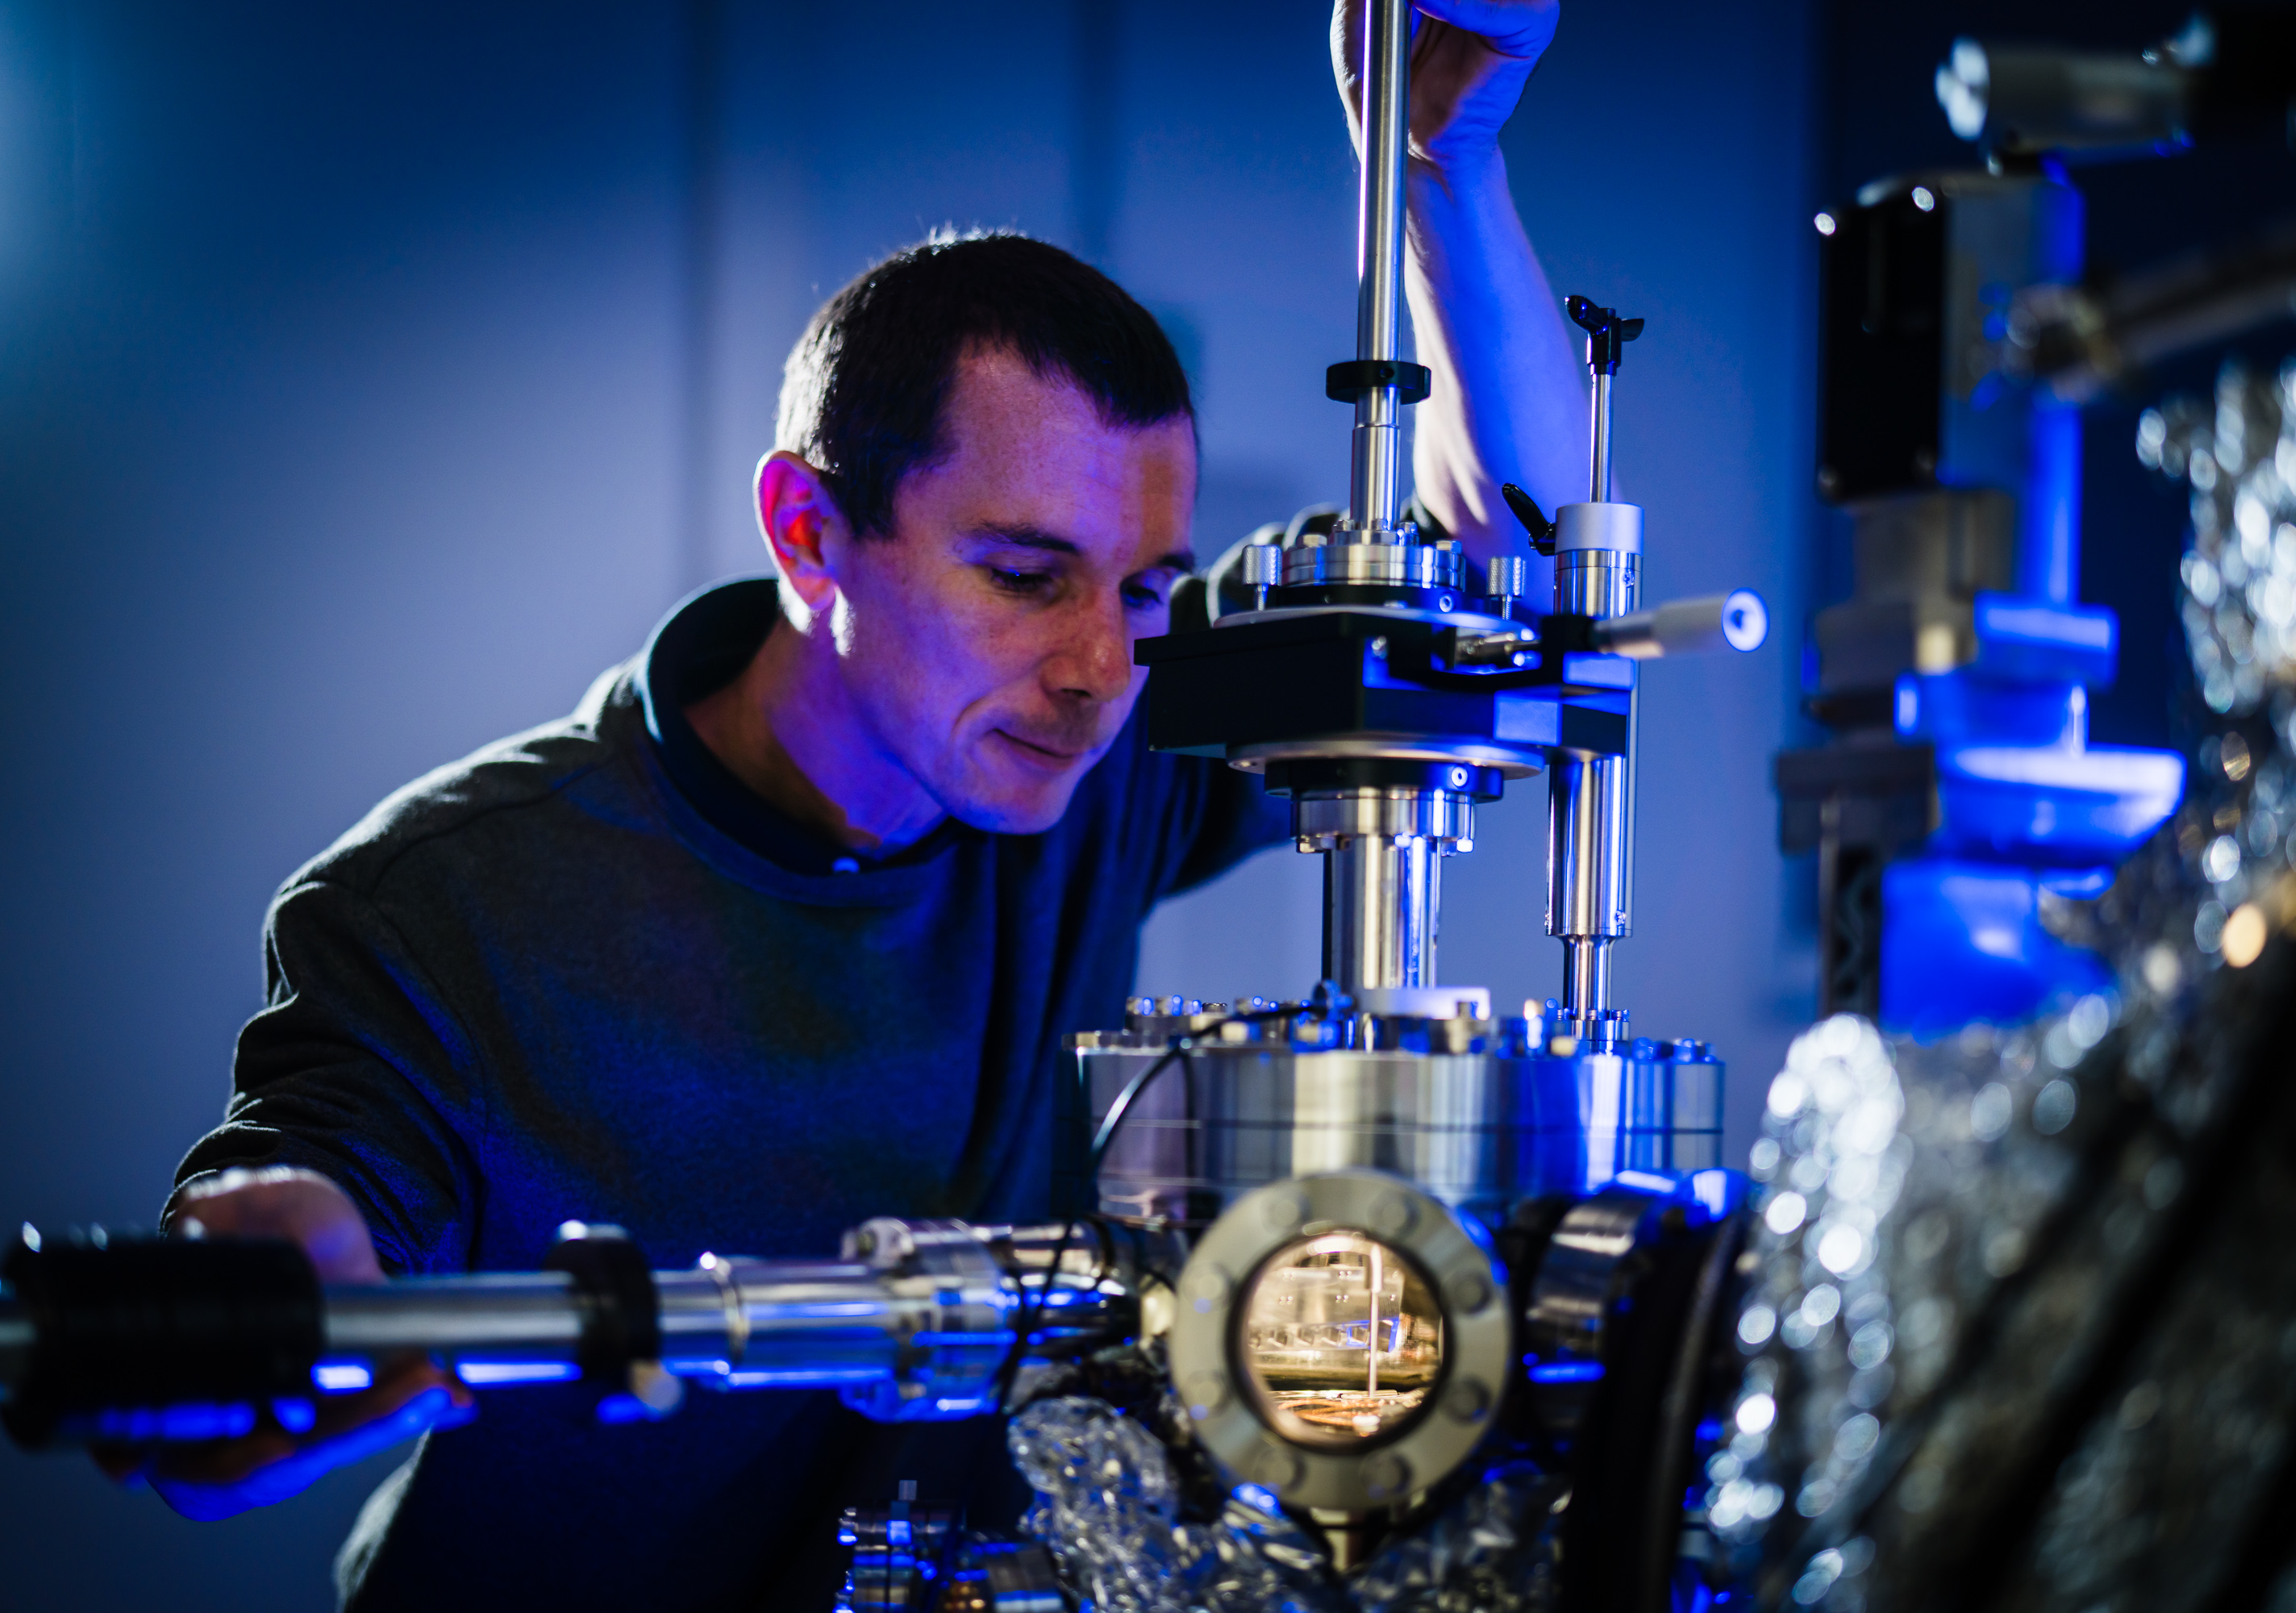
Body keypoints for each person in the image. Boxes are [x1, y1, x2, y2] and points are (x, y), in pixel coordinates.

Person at [108, 2, 1592, 1605]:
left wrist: (1442, 173)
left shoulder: (1087, 761)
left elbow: (1498, 567)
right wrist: (252, 1300)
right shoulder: (446, 901)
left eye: (1147, 588)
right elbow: (312, 1202)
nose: (1102, 670)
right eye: (1023, 574)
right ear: (809, 535)